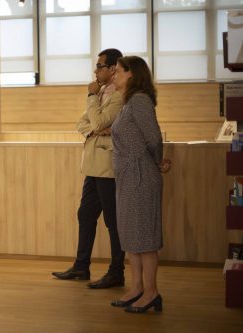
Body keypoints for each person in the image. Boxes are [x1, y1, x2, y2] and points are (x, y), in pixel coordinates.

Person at [52, 49, 126, 289]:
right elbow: (82, 123)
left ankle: (117, 271)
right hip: (92, 166)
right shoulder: (101, 91)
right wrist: (96, 130)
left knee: (113, 222)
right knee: (85, 215)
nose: (95, 71)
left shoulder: (118, 95)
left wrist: (92, 100)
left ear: (113, 68)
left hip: (108, 167)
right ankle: (81, 266)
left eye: (100, 66)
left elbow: (99, 121)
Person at [110, 56, 171, 313]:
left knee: (144, 235)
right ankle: (136, 288)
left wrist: (156, 162)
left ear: (131, 75)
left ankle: (152, 291)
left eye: (118, 71)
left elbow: (154, 138)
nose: (114, 75)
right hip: (128, 175)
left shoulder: (140, 100)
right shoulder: (127, 103)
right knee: (131, 234)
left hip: (141, 175)